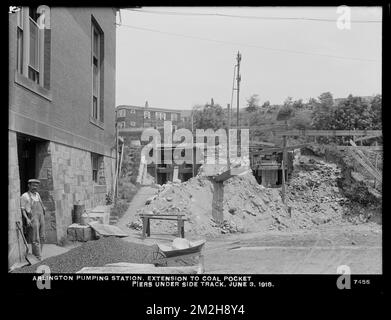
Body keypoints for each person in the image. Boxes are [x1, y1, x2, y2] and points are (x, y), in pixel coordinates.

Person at [20, 179, 46, 260]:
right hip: (33, 217)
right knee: (35, 238)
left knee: (42, 237)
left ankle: (39, 254)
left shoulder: (37, 194)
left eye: (36, 186)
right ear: (29, 185)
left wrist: (43, 208)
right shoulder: (25, 196)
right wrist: (27, 219)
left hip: (41, 216)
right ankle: (37, 257)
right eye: (33, 185)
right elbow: (23, 209)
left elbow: (41, 203)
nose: (35, 187)